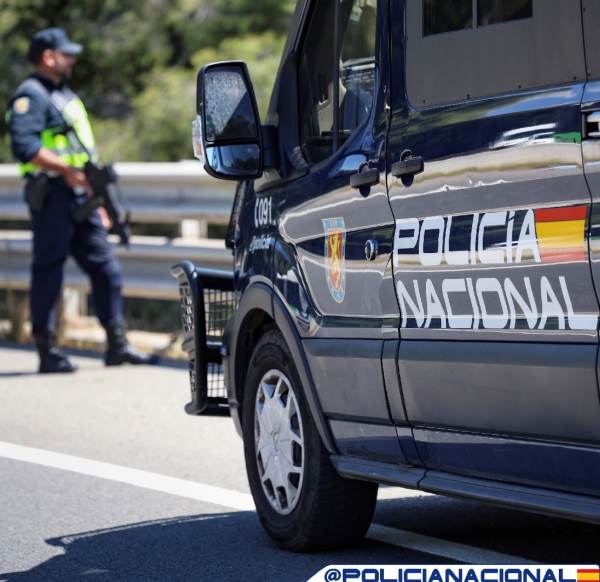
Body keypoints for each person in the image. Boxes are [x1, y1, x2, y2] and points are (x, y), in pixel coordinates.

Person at [6, 27, 157, 373]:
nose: (72, 60)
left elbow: (80, 154)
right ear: (48, 57)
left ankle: (116, 344)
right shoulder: (31, 95)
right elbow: (24, 147)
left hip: (80, 196)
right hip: (53, 195)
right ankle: (47, 351)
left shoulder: (65, 95)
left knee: (106, 268)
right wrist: (66, 172)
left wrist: (98, 200)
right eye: (66, 54)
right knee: (49, 271)